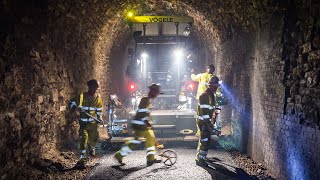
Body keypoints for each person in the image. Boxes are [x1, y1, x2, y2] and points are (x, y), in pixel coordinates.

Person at [114, 83, 163, 166]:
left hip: (143, 125)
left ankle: (151, 158)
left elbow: (145, 114)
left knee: (150, 138)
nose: (157, 95)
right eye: (156, 92)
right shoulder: (145, 100)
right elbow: (142, 113)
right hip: (140, 125)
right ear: (153, 92)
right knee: (134, 142)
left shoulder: (147, 100)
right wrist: (148, 122)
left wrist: (149, 122)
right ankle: (119, 155)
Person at [69, 79, 103, 169]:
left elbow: (99, 110)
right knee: (83, 140)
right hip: (83, 124)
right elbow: (70, 103)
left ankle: (91, 148)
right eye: (93, 88)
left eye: (96, 88)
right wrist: (76, 107)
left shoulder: (98, 98)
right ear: (89, 87)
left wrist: (100, 118)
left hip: (93, 124)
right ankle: (82, 160)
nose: (95, 90)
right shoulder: (81, 97)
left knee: (93, 140)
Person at [195, 76, 221, 167]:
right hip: (203, 122)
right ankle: (200, 160)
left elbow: (213, 109)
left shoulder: (212, 95)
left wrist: (217, 109)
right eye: (215, 86)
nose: (217, 88)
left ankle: (201, 157)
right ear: (211, 86)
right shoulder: (205, 96)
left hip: (206, 122)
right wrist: (211, 126)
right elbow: (205, 114)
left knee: (205, 140)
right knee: (205, 141)